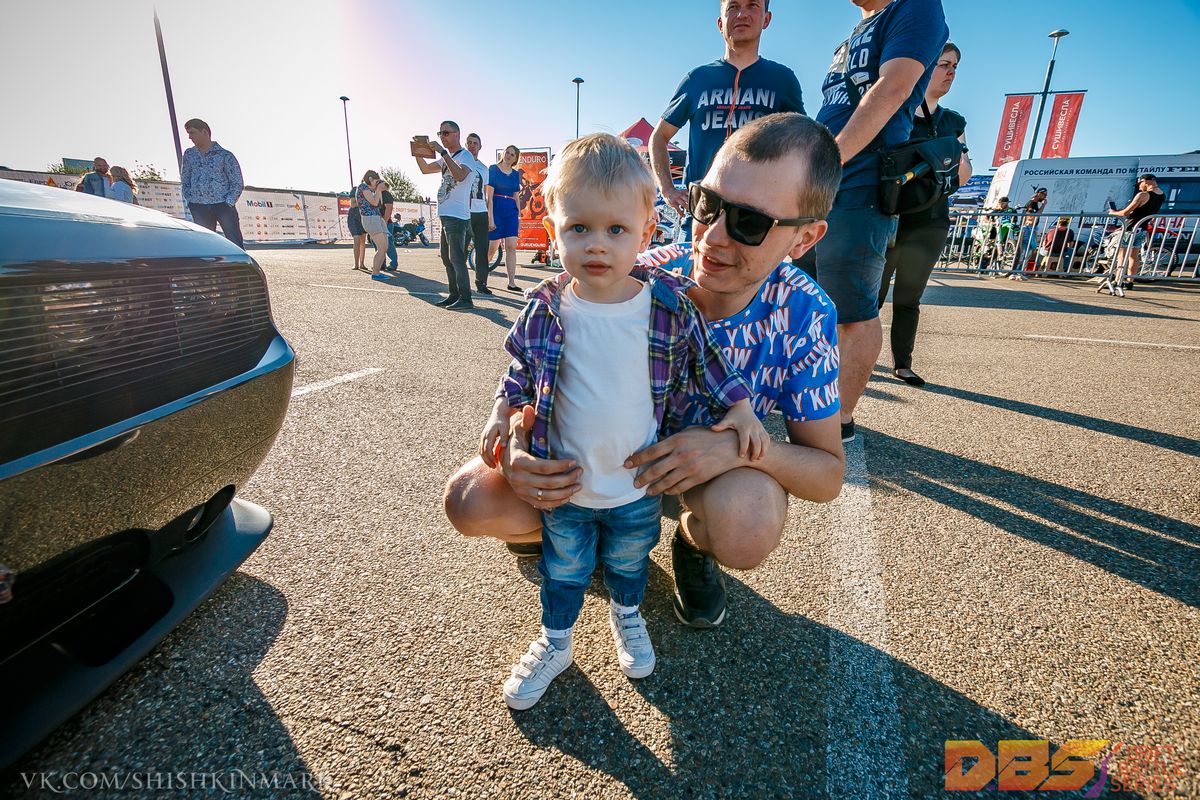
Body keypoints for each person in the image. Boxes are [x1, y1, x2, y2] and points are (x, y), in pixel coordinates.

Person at [444, 113, 845, 633]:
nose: (712, 237)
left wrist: (731, 450)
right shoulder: (632, 269)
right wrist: (517, 442)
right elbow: (536, 360)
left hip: (703, 478)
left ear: (804, 239)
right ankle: (566, 532)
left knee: (748, 523)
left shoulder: (805, 313)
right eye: (708, 204)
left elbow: (826, 474)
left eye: (750, 222)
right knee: (469, 500)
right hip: (595, 463)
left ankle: (692, 542)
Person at [485, 133, 771, 710]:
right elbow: (520, 368)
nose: (597, 244)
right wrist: (500, 409)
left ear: (645, 234)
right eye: (579, 228)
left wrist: (740, 407)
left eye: (616, 229)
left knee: (628, 559)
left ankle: (627, 614)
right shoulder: (546, 306)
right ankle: (556, 641)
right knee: (564, 569)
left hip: (637, 483)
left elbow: (707, 364)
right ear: (554, 230)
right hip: (566, 484)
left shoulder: (667, 306)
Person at [802, 0, 948, 443]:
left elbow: (893, 88)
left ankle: (838, 420)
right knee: (807, 300)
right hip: (825, 184)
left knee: (852, 311)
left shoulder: (915, 6)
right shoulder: (857, 28)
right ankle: (806, 399)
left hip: (861, 183)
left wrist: (831, 160)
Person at [650, 0, 804, 237]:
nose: (742, 14)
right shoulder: (697, 79)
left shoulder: (782, 80)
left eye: (752, 5)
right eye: (733, 7)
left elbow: (802, 145)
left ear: (766, 19)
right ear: (720, 23)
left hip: (755, 219)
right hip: (702, 213)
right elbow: (659, 137)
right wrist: (668, 190)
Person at [876, 42, 969, 388]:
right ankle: (856, 356)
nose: (950, 72)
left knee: (909, 296)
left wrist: (942, 164)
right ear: (926, 67)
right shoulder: (897, 112)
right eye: (943, 64)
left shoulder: (953, 121)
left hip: (930, 221)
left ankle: (903, 363)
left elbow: (963, 173)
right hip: (890, 218)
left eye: (954, 66)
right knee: (873, 293)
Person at [415, 120, 476, 310]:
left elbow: (460, 175)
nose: (442, 136)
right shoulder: (448, 158)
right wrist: (417, 151)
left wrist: (442, 152)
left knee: (456, 257)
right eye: (440, 133)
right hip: (446, 214)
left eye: (446, 133)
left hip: (458, 215)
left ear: (457, 134)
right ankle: (454, 294)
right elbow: (425, 169)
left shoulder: (465, 156)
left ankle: (466, 299)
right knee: (446, 257)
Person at [180, 118, 245, 248]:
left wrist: (229, 202)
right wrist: (191, 200)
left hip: (223, 205)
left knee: (234, 242)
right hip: (198, 206)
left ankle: (238, 261)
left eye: (192, 133)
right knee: (204, 245)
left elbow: (237, 182)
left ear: (204, 132)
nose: (190, 137)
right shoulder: (189, 154)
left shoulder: (224, 155)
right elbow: (185, 179)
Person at [1109, 174, 1165, 286]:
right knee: (1133, 256)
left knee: (1122, 256)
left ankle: (1118, 281)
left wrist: (1113, 213)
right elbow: (1142, 209)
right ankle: (1130, 281)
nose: (1139, 187)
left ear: (1145, 181)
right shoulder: (1162, 195)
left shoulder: (1143, 195)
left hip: (1130, 228)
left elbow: (1125, 213)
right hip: (1142, 228)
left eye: (1140, 184)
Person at [488, 145, 523, 291]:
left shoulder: (515, 174)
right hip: (496, 210)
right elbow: (489, 196)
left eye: (512, 155)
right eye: (507, 152)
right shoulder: (493, 169)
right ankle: (482, 275)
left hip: (511, 213)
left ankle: (511, 282)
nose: (508, 156)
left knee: (511, 247)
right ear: (503, 153)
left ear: (515, 159)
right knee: (492, 248)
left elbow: (516, 197)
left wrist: (519, 216)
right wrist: (490, 218)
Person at [464, 133, 493, 294]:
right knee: (461, 250)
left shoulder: (484, 168)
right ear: (466, 145)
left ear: (480, 146)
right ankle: (460, 284)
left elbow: (487, 194)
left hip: (480, 212)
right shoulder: (460, 163)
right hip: (464, 212)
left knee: (482, 250)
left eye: (475, 143)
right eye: (469, 143)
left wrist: (489, 216)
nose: (472, 146)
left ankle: (481, 282)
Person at [355, 170, 389, 278]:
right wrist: (378, 189)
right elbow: (374, 202)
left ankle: (376, 271)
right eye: (376, 181)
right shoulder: (363, 187)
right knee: (381, 248)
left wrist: (380, 189)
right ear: (370, 179)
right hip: (370, 219)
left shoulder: (372, 190)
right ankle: (375, 273)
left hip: (377, 218)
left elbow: (379, 203)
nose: (377, 184)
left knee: (384, 247)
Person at [1010, 186, 1047, 279]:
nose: (1045, 197)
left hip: (1032, 229)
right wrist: (1043, 205)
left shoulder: (1035, 203)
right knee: (1022, 254)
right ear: (1039, 193)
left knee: (1028, 254)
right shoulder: (1032, 203)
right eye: (1044, 194)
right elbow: (1035, 215)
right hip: (1027, 228)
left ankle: (1021, 272)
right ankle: (1014, 272)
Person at [378, 182, 398, 271]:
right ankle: (381, 264)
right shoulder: (378, 194)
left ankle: (393, 264)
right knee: (379, 245)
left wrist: (384, 222)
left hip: (386, 223)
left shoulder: (385, 194)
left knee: (388, 244)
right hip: (380, 223)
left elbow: (389, 208)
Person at [348, 199, 367, 271]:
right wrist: (364, 202)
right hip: (354, 218)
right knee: (356, 241)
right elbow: (352, 204)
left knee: (363, 241)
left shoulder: (369, 192)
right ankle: (356, 264)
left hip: (363, 216)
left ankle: (362, 263)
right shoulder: (355, 192)